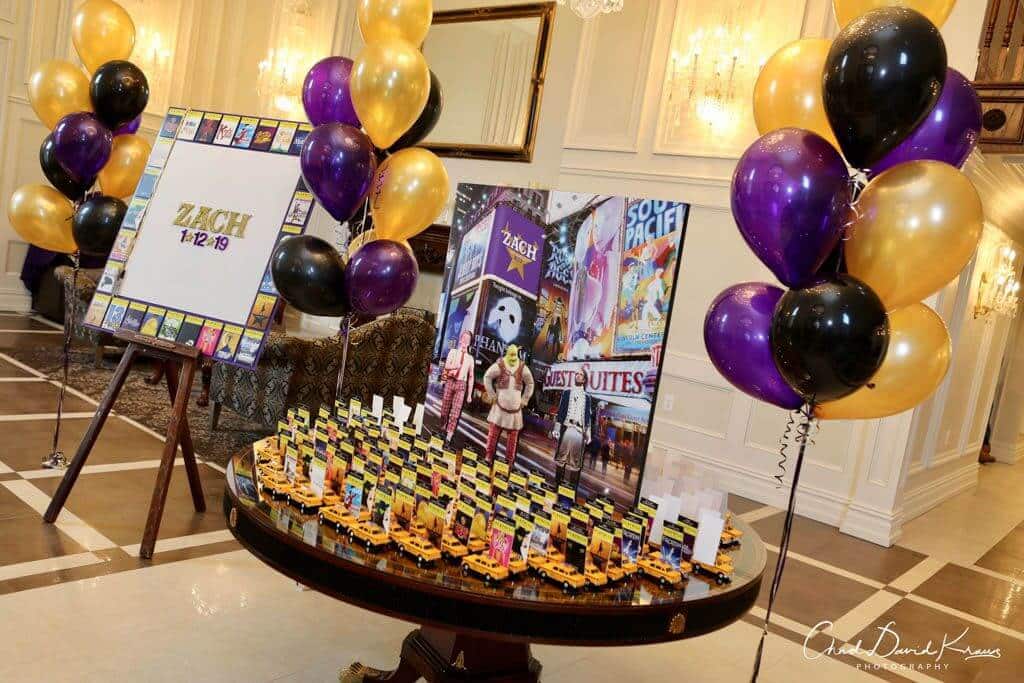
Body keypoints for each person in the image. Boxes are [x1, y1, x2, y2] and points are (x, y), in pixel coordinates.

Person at [483, 344, 534, 467]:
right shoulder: (500, 365)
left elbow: (530, 383)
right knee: (492, 435)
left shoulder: (522, 367)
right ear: (507, 353)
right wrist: (491, 394)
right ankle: (488, 457)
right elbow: (487, 377)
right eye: (510, 353)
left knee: (512, 441)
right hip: (499, 408)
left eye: (514, 354)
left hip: (515, 410)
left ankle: (509, 464)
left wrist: (525, 399)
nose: (512, 356)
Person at [551, 369, 596, 492]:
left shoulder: (587, 397)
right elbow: (560, 411)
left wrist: (588, 434)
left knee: (575, 463)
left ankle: (570, 492)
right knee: (561, 458)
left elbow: (588, 417)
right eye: (577, 374)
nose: (578, 376)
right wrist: (557, 427)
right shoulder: (567, 392)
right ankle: (557, 487)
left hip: (579, 431)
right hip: (567, 428)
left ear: (584, 379)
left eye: (581, 374)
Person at [439, 330, 475, 444]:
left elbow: (471, 377)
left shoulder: (470, 359)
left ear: (469, 342)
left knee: (455, 412)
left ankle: (450, 434)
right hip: (450, 381)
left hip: (461, 385)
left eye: (467, 339)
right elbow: (447, 366)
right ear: (460, 340)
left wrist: (469, 395)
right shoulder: (453, 352)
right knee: (444, 410)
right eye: (463, 338)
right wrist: (443, 379)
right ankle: (443, 425)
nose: (465, 341)